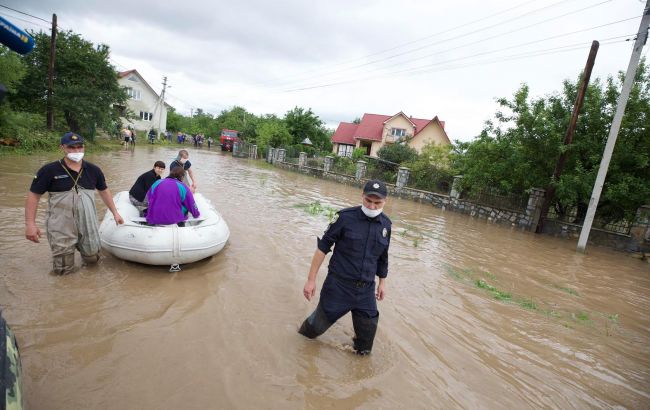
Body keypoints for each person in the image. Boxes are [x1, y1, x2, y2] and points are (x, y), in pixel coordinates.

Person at [298, 179, 392, 355]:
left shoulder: (386, 225)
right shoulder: (344, 218)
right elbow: (322, 248)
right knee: (310, 332)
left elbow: (383, 256)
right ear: (362, 196)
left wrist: (382, 283)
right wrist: (311, 280)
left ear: (385, 201)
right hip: (338, 287)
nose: (372, 206)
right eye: (368, 201)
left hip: (366, 292)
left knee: (364, 349)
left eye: (377, 203)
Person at [25, 132, 124, 275]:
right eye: (71, 148)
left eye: (80, 147)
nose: (76, 151)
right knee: (63, 269)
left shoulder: (93, 170)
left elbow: (104, 191)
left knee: (92, 258)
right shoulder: (49, 170)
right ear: (63, 147)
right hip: (61, 223)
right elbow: (33, 196)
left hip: (87, 221)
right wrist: (30, 224)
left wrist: (115, 213)